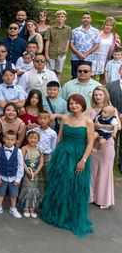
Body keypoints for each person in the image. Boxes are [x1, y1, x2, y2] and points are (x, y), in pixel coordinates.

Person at [41, 94, 95, 237]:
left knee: (74, 185)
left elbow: (90, 143)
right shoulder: (65, 118)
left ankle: (71, 215)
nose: (73, 106)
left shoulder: (88, 122)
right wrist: (56, 155)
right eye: (71, 103)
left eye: (76, 103)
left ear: (82, 105)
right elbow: (59, 138)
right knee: (60, 184)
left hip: (79, 156)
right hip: (63, 154)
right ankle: (57, 212)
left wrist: (83, 160)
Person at [88, 87, 118, 209]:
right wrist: (94, 125)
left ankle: (103, 199)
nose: (98, 97)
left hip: (107, 143)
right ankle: (91, 197)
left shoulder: (112, 110)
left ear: (105, 96)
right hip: (94, 142)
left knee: (105, 170)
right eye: (95, 95)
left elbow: (118, 127)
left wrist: (101, 126)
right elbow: (87, 125)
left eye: (100, 94)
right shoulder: (90, 110)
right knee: (92, 170)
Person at [0, 130, 24, 219]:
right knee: (0, 193)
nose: (9, 141)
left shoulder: (18, 151)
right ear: (4, 139)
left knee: (14, 194)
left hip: (14, 177)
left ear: (15, 141)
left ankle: (13, 208)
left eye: (12, 139)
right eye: (8, 139)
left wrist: (18, 179)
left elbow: (21, 166)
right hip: (2, 176)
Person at [19, 130, 43, 218]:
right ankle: (26, 207)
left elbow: (41, 163)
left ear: (38, 139)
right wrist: (27, 171)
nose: (33, 140)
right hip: (27, 172)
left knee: (34, 190)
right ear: (27, 138)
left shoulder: (40, 150)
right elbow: (22, 161)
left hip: (36, 173)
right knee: (27, 189)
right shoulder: (24, 148)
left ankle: (32, 208)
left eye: (35, 138)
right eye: (31, 138)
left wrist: (36, 172)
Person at [69, 12, 100, 79]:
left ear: (91, 19)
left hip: (88, 58)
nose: (86, 19)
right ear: (81, 19)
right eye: (84, 18)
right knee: (75, 76)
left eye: (88, 18)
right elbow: (71, 44)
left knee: (86, 77)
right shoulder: (75, 31)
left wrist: (86, 54)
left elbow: (96, 45)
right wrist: (78, 53)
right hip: (75, 58)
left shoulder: (96, 31)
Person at [44, 9, 72, 78]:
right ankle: (50, 86)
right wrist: (46, 54)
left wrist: (66, 51)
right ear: (56, 18)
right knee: (50, 72)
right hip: (51, 53)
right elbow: (47, 41)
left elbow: (68, 40)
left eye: (62, 16)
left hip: (62, 53)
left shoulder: (68, 29)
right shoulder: (50, 29)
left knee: (58, 72)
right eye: (58, 16)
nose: (60, 18)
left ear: (65, 18)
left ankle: (57, 87)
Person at [93, 17, 120, 82]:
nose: (108, 27)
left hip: (106, 60)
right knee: (91, 77)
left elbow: (118, 49)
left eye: (111, 25)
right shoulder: (97, 33)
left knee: (103, 79)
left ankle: (101, 92)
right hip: (94, 58)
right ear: (104, 25)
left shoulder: (114, 36)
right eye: (107, 25)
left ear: (113, 27)